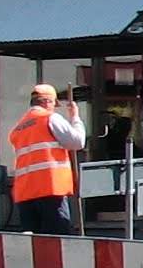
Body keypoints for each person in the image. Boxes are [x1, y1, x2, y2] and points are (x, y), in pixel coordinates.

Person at [6, 83, 87, 236]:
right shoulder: (49, 118)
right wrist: (75, 118)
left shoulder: (19, 127)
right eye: (53, 104)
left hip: (25, 193)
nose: (54, 108)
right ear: (47, 101)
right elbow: (77, 142)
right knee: (59, 240)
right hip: (50, 189)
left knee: (34, 245)